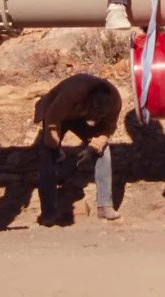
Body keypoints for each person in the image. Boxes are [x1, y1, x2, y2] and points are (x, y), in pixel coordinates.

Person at [34, 74, 123, 225]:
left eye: (100, 115)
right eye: (95, 111)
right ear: (88, 100)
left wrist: (93, 148)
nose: (97, 117)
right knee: (47, 155)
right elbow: (52, 121)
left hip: (79, 117)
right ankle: (48, 213)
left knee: (104, 151)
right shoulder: (73, 91)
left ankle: (105, 206)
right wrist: (54, 147)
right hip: (54, 114)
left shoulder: (115, 102)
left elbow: (106, 130)